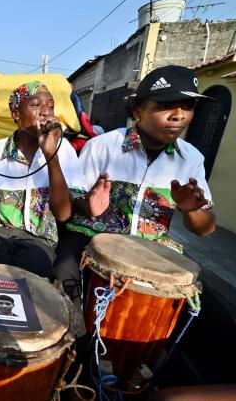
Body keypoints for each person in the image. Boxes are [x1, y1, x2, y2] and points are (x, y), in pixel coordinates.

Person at [54, 65, 217, 305]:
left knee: (213, 318)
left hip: (151, 247)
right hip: (90, 237)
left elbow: (205, 229)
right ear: (138, 112)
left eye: (187, 107)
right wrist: (87, 206)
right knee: (62, 274)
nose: (179, 115)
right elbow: (68, 206)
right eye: (164, 107)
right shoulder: (103, 146)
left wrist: (192, 209)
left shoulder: (191, 159)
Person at [0, 81, 87, 279]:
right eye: (36, 105)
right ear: (16, 114)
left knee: (30, 273)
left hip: (39, 239)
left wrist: (50, 156)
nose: (46, 112)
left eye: (51, 106)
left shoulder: (63, 150)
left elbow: (63, 215)